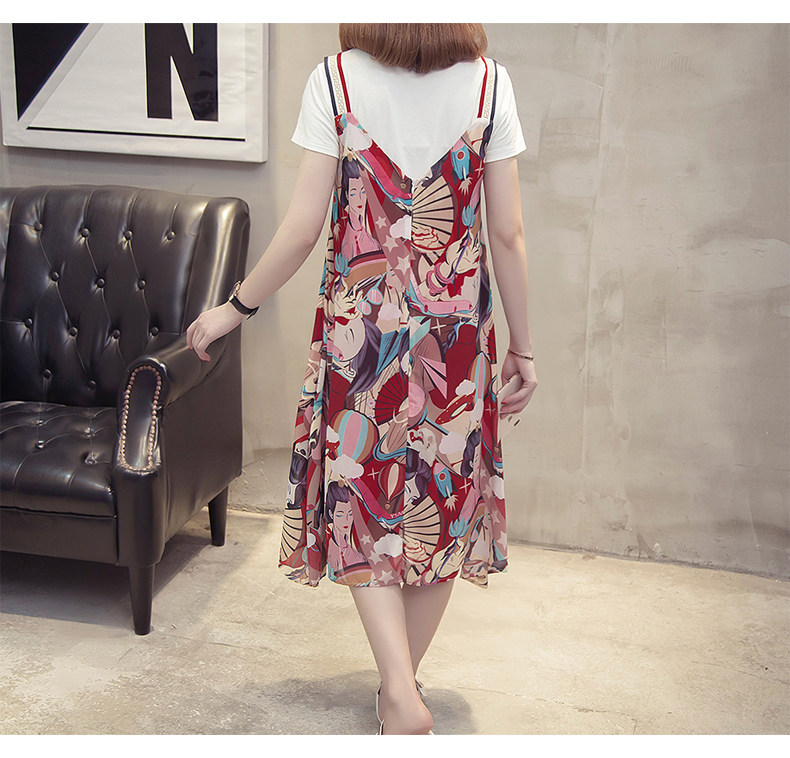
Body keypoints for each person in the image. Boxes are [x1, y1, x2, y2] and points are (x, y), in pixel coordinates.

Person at [186, 23, 538, 735]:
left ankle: (399, 691)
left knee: (360, 497)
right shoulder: (491, 85)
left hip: (361, 334)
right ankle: (400, 691)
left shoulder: (336, 80)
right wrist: (523, 349)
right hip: (455, 340)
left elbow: (302, 228)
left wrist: (234, 308)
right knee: (441, 505)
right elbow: (507, 234)